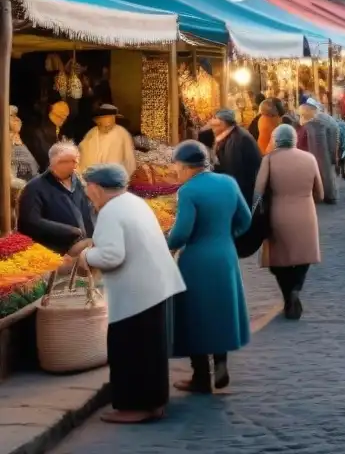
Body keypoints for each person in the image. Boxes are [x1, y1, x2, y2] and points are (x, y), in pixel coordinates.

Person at [63, 164, 184, 424]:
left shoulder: (111, 212)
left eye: (88, 188)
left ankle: (136, 406)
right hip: (153, 286)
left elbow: (111, 255)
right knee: (150, 348)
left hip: (137, 292)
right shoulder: (132, 202)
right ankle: (153, 403)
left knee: (130, 348)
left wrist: (84, 255)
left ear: (96, 188)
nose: (87, 194)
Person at [167, 141, 252, 393]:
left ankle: (201, 376)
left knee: (196, 314)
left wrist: (167, 242)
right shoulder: (228, 182)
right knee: (221, 309)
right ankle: (222, 362)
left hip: (197, 258)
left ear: (186, 166)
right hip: (225, 254)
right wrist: (226, 235)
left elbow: (181, 233)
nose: (177, 172)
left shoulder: (188, 191)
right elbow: (245, 219)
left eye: (178, 167)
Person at [254, 124, 322, 320]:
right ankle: (296, 288)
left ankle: (287, 295)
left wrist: (254, 214)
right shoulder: (309, 158)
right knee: (303, 256)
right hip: (305, 213)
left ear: (275, 140)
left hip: (278, 213)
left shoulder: (269, 160)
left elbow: (258, 191)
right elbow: (320, 191)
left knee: (279, 260)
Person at [18, 141, 95, 253]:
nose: (75, 164)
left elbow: (86, 213)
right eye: (71, 161)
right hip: (53, 251)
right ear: (56, 163)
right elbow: (30, 222)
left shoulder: (78, 182)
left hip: (84, 248)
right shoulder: (35, 187)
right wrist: (69, 231)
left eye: (76, 160)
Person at [208, 109, 263, 209]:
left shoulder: (236, 140)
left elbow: (233, 172)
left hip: (244, 194)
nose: (211, 122)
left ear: (223, 123)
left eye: (214, 118)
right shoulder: (232, 135)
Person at [297, 99, 339, 206]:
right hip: (325, 148)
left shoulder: (314, 123)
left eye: (301, 114)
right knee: (325, 169)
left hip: (318, 151)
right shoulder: (322, 119)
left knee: (323, 169)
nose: (299, 116)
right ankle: (327, 194)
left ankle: (326, 195)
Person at [78, 104, 137, 177]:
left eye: (111, 120)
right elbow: (82, 154)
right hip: (91, 178)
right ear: (97, 120)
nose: (107, 125)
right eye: (101, 122)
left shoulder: (122, 133)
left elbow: (129, 160)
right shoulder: (92, 133)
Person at [23, 98, 70, 171]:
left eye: (65, 116)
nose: (63, 118)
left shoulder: (60, 132)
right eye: (60, 115)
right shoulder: (38, 133)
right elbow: (44, 157)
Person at [9, 106, 39, 181]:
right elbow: (10, 180)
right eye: (11, 116)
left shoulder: (17, 140)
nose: (17, 119)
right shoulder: (8, 145)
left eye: (16, 115)